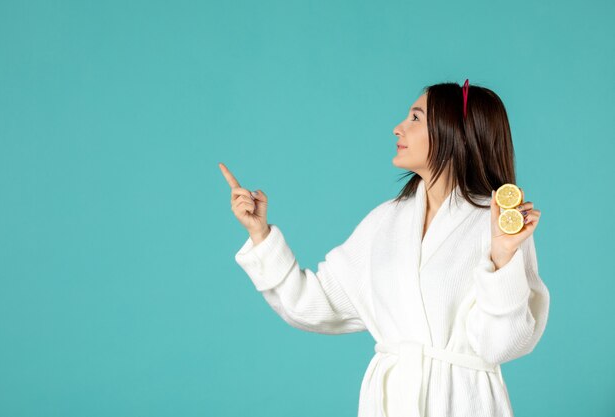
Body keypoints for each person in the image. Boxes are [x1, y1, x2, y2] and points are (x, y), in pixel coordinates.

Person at [218, 80, 550, 417]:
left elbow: (502, 344)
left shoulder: (495, 224)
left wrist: (503, 257)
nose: (398, 128)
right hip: (391, 403)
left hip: (463, 402)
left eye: (416, 118)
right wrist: (260, 233)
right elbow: (312, 304)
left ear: (455, 131)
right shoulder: (385, 222)